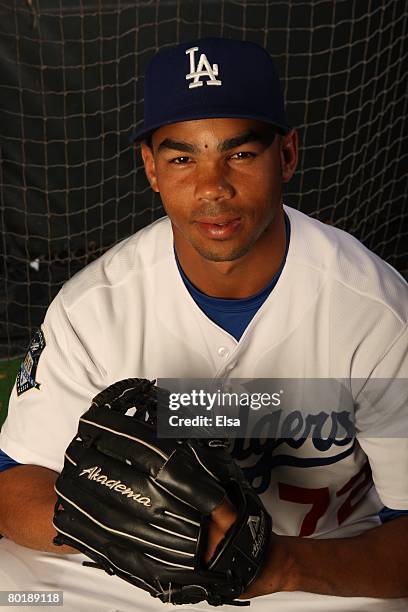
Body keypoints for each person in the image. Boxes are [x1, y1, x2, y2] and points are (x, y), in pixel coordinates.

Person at [0, 37, 407, 612]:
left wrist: (277, 566)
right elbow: (15, 482)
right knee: (12, 591)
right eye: (183, 158)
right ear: (151, 167)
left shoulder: (378, 313)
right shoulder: (93, 306)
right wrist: (120, 527)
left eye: (239, 154)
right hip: (128, 569)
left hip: (315, 570)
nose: (212, 187)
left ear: (286, 155)